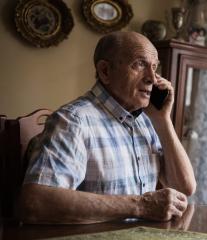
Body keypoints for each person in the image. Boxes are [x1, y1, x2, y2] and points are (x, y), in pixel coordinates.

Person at [18, 31, 196, 224]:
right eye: (139, 64)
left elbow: (184, 187)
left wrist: (163, 120)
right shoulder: (73, 121)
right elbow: (35, 203)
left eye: (154, 67)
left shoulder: (147, 120)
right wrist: (141, 206)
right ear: (105, 71)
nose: (152, 79)